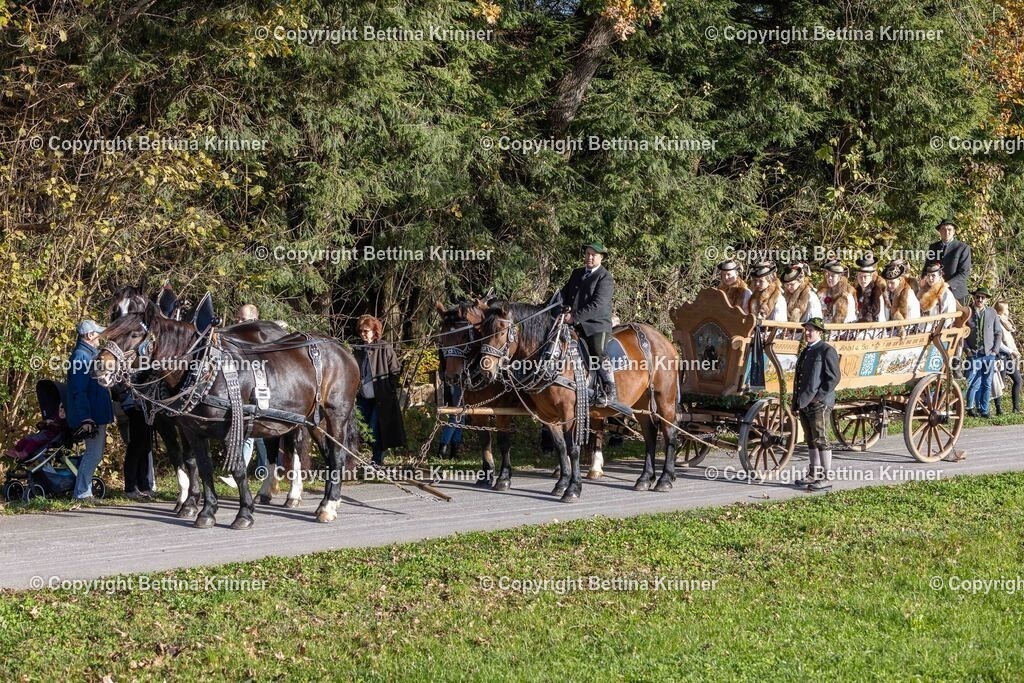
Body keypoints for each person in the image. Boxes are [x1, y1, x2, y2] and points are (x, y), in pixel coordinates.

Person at [559, 241, 632, 415]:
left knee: (597, 351)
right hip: (573, 323)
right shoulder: (577, 273)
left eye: (594, 255)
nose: (590, 257)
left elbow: (598, 305)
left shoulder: (605, 278)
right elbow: (563, 295)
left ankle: (609, 388)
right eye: (588, 254)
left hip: (596, 325)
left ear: (601, 258)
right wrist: (547, 308)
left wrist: (574, 317)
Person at [66, 320, 114, 500]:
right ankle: (82, 492)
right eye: (98, 333)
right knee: (93, 454)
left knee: (94, 454)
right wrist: (86, 417)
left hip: (96, 414)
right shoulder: (81, 356)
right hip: (91, 416)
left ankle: (83, 491)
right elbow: (79, 390)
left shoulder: (90, 354)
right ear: (89, 335)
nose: (100, 336)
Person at [792, 317, 841, 492]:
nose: (807, 333)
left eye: (811, 330)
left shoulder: (826, 350)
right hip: (805, 402)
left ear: (819, 332)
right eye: (806, 329)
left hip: (820, 402)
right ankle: (813, 474)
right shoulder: (806, 351)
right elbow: (799, 380)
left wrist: (818, 397)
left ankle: (827, 477)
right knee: (810, 439)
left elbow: (834, 378)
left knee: (821, 439)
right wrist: (797, 402)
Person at [354, 314, 407, 466]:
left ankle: (376, 460)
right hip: (363, 397)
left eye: (366, 331)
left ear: (374, 331)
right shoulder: (358, 349)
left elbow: (395, 370)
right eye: (361, 331)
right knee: (361, 428)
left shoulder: (384, 347)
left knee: (375, 428)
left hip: (381, 398)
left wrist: (388, 388)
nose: (363, 334)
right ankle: (366, 456)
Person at [965, 287, 1002, 418]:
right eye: (977, 297)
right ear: (974, 297)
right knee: (971, 382)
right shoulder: (967, 311)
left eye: (983, 297)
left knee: (987, 383)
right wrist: (967, 350)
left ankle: (984, 410)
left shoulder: (992, 312)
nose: (980, 299)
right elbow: (961, 334)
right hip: (973, 354)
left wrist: (995, 351)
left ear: (986, 300)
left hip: (988, 355)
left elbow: (998, 333)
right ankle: (969, 408)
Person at [928, 218, 972, 305]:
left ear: (954, 231)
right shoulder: (933, 247)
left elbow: (964, 273)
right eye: (943, 229)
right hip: (935, 292)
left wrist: (947, 284)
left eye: (949, 229)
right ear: (940, 231)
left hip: (956, 294)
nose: (946, 232)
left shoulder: (963, 248)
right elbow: (928, 267)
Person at [994, 302, 1021, 415]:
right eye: (1007, 309)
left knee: (1018, 380)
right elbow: (998, 343)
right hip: (1001, 356)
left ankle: (1016, 408)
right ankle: (998, 409)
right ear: (1002, 311)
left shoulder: (1006, 323)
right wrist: (1011, 351)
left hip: (1010, 356)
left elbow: (1009, 339)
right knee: (1001, 383)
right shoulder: (997, 322)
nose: (1008, 311)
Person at [853, 253, 887, 323]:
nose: (863, 280)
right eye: (860, 276)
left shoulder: (876, 293)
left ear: (871, 277)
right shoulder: (855, 292)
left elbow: (880, 318)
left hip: (873, 326)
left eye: (865, 276)